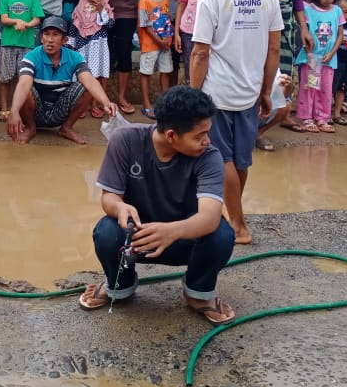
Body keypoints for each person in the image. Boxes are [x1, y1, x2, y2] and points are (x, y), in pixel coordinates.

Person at [78, 85, 236, 323]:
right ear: (171, 135)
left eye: (207, 133)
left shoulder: (209, 156)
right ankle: (120, 286)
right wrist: (120, 207)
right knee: (106, 231)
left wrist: (172, 231)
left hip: (186, 240)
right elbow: (109, 198)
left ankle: (198, 293)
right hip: (137, 240)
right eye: (198, 136)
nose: (207, 141)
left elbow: (210, 217)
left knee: (222, 234)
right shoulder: (125, 140)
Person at [190, 0, 282, 246]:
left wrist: (192, 93)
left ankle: (238, 224)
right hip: (250, 91)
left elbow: (200, 51)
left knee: (222, 159)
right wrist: (266, 90)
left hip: (216, 92)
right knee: (240, 159)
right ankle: (235, 211)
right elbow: (273, 49)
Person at [7, 16, 117, 146]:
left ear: (65, 40)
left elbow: (89, 80)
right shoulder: (31, 56)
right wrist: (14, 111)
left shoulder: (74, 57)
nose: (50, 40)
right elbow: (24, 83)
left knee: (86, 87)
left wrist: (105, 102)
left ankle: (66, 128)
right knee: (26, 88)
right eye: (46, 34)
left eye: (55, 35)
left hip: (59, 111)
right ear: (41, 38)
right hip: (35, 112)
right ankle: (31, 127)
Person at [295, 0, 345, 134]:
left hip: (329, 59)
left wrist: (332, 53)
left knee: (325, 89)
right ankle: (307, 117)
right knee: (310, 88)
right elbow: (305, 33)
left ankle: (322, 118)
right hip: (312, 59)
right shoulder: (308, 10)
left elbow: (339, 35)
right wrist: (310, 56)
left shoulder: (337, 11)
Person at [0, 0, 45, 117]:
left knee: (23, 78)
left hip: (27, 45)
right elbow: (4, 19)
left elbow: (37, 19)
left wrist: (27, 25)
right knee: (5, 78)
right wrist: (16, 21)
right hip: (8, 44)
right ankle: (4, 108)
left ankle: (19, 109)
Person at [66, 0, 112, 111]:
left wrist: (100, 10)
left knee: (99, 74)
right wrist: (70, 46)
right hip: (82, 47)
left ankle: (96, 104)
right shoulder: (79, 8)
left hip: (99, 46)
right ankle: (81, 106)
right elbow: (73, 29)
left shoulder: (106, 8)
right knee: (83, 75)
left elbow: (109, 24)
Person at [137, 0, 175, 119]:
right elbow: (145, 25)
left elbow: (167, 20)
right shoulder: (144, 1)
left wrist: (168, 39)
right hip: (150, 45)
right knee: (146, 72)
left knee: (166, 71)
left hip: (165, 44)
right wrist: (159, 41)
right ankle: (147, 104)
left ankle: (163, 103)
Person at [256, 70, 294, 152]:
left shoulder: (273, 70)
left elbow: (283, 97)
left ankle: (258, 135)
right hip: (245, 111)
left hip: (261, 113)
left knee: (286, 105)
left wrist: (289, 86)